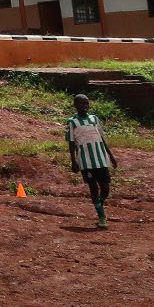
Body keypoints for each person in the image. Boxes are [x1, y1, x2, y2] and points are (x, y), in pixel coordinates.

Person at [66, 94, 120, 229]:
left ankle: (99, 205)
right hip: (86, 161)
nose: (85, 107)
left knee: (106, 188)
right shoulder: (72, 122)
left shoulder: (94, 119)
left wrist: (111, 156)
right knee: (93, 188)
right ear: (75, 105)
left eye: (87, 104)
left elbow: (101, 138)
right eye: (82, 104)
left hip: (100, 158)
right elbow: (71, 144)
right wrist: (73, 161)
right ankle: (102, 216)